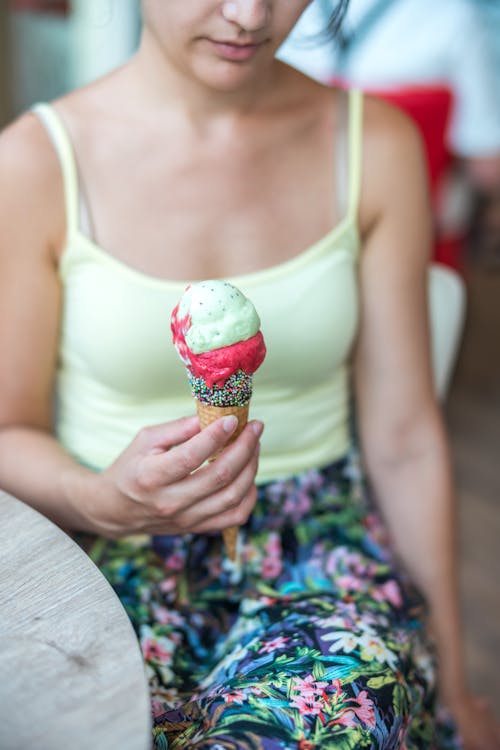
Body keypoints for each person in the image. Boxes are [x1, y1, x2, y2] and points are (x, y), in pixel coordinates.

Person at [0, 1, 499, 748]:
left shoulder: (371, 142)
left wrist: (454, 681)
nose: (250, 14)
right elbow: (8, 429)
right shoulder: (34, 161)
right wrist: (101, 500)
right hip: (101, 552)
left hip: (319, 556)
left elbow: (404, 439)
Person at [278, 0, 500, 269]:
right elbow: (486, 168)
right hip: (422, 240)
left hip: (295, 243)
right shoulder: (457, 16)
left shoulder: (277, 15)